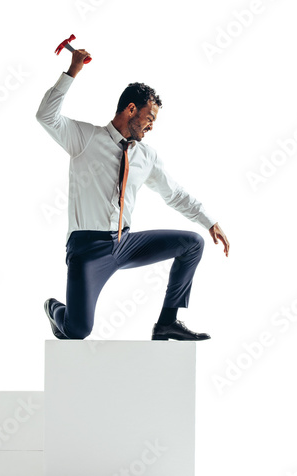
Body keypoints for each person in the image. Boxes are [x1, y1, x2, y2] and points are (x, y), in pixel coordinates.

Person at [36, 49, 230, 341]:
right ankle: (54, 308)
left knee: (192, 244)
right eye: (149, 117)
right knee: (78, 330)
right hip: (87, 249)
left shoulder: (146, 156)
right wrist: (72, 70)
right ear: (130, 110)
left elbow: (174, 194)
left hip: (124, 242)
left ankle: (167, 322)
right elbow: (46, 116)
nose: (152, 125)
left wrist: (209, 221)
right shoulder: (86, 138)